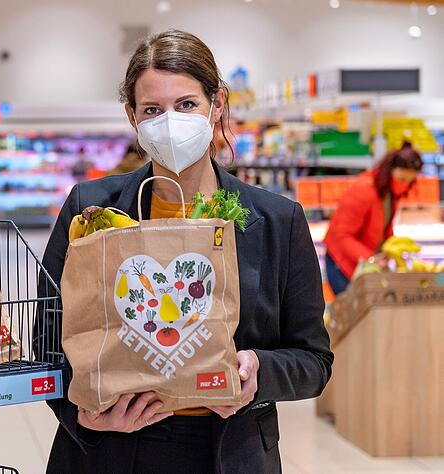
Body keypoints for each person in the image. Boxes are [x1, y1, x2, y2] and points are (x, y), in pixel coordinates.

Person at [35, 30, 333, 473]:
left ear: (217, 105)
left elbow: (314, 359)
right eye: (152, 109)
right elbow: (46, 340)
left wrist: (258, 372)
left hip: (228, 451)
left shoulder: (276, 222)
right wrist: (81, 414)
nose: (169, 121)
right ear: (132, 117)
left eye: (187, 104)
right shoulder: (91, 210)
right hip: (110, 451)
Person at [323, 143, 422, 294]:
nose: (404, 185)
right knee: (352, 316)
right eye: (402, 178)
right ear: (390, 170)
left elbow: (384, 228)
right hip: (343, 265)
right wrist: (370, 258)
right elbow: (342, 235)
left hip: (364, 264)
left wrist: (391, 251)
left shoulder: (388, 193)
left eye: (409, 181)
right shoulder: (363, 190)